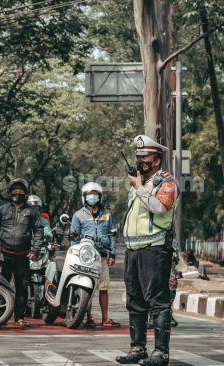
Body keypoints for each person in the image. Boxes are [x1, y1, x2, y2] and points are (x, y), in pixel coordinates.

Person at [116, 135, 179, 366]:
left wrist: (140, 188)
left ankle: (161, 353)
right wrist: (140, 186)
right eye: (138, 156)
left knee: (157, 302)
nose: (140, 159)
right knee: (135, 301)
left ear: (157, 160)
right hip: (133, 249)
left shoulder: (167, 183)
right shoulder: (141, 183)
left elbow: (160, 208)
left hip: (154, 249)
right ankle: (138, 349)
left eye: (145, 156)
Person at [0, 178, 43, 327]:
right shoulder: (3, 209)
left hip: (23, 256)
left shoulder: (31, 210)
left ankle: (19, 317)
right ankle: (0, 315)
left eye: (21, 191)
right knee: (2, 284)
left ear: (25, 193)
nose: (17, 193)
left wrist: (35, 250)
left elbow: (39, 230)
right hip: (4, 255)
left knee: (22, 287)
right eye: (15, 190)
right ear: (9, 192)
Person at [70, 182, 119, 328]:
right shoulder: (78, 215)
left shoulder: (107, 214)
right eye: (90, 195)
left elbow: (112, 235)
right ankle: (88, 317)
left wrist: (113, 254)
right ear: (84, 197)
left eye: (96, 195)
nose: (93, 197)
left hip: (102, 256)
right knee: (87, 287)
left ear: (100, 197)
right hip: (85, 257)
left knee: (103, 288)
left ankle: (105, 318)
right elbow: (74, 237)